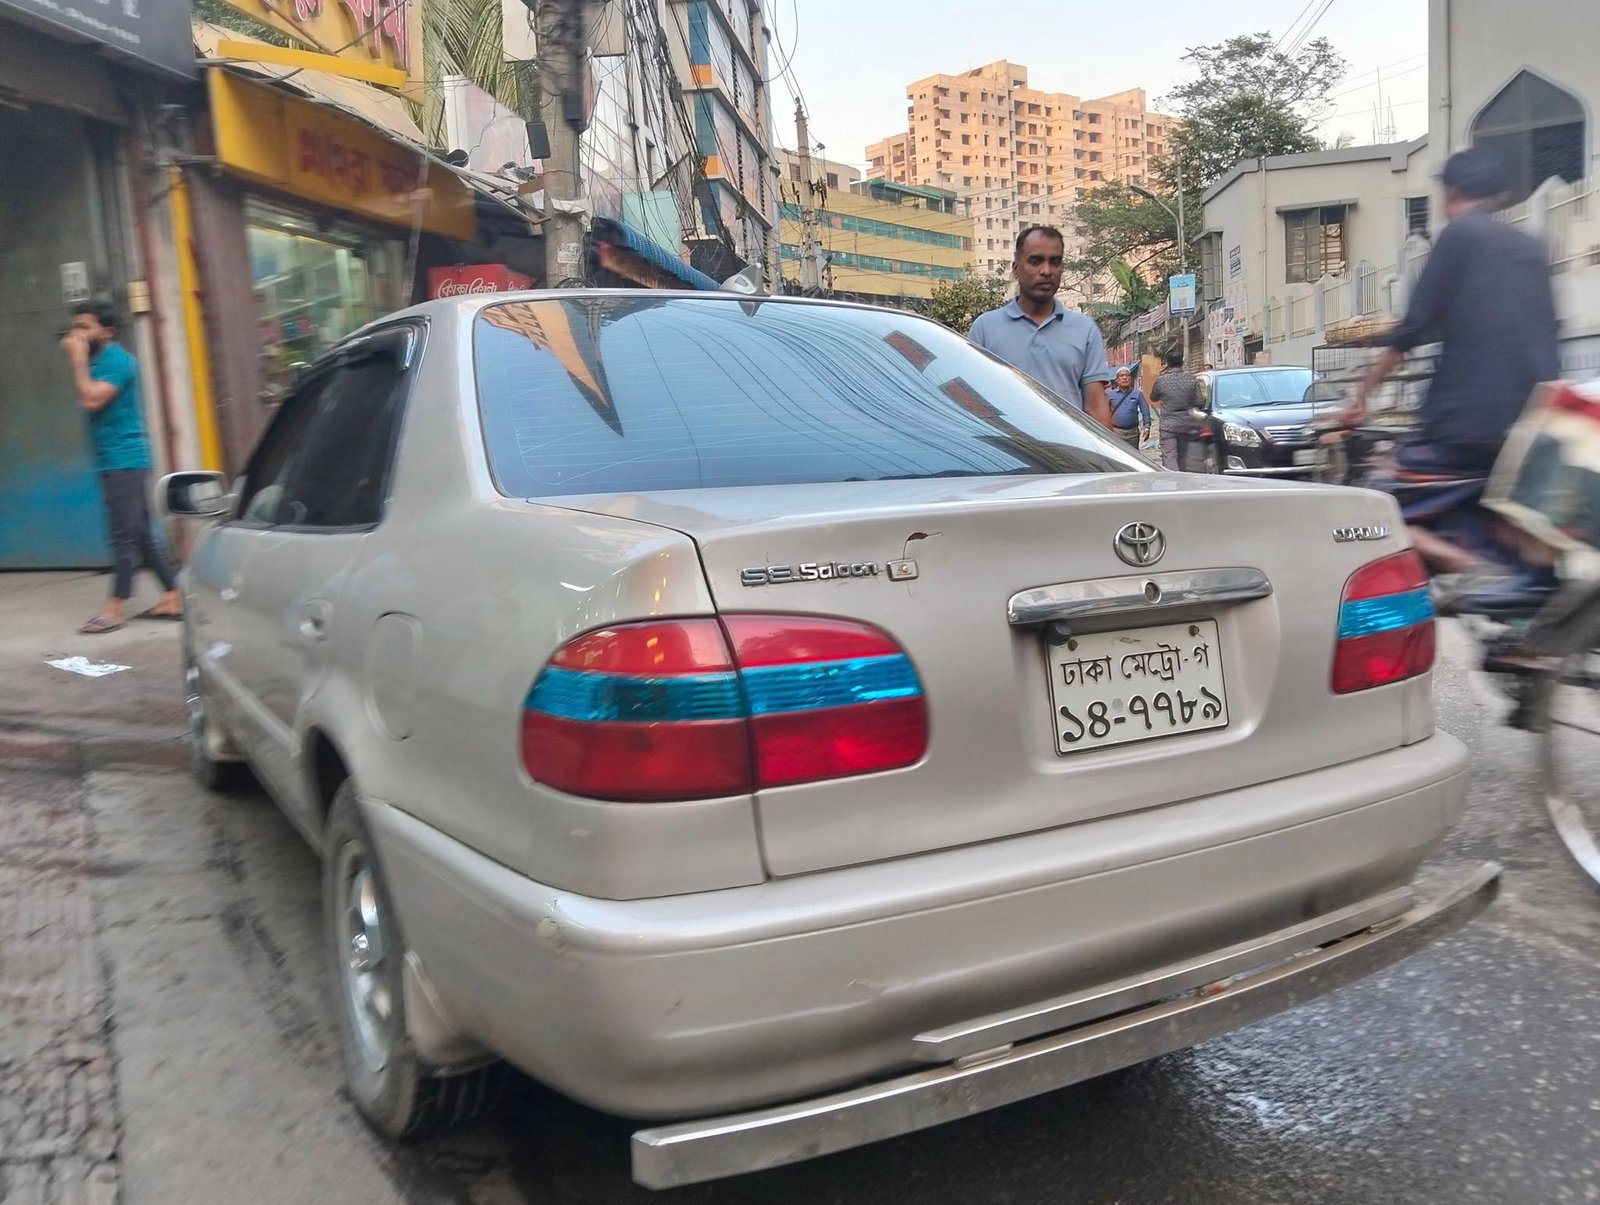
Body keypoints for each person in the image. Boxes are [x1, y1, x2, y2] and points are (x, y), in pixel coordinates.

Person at [1342, 146, 1560, 573]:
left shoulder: (1460, 235)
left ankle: (1473, 569)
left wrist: (1360, 397)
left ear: (1451, 191)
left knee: (1377, 505)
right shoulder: (1531, 247)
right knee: (1519, 517)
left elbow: (1413, 329)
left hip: (1464, 423)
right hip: (1536, 422)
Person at [61, 300, 182, 634]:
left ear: (107, 331)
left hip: (124, 459)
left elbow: (90, 398)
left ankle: (115, 609)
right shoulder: (99, 360)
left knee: (123, 535)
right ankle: (174, 596)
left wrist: (76, 359)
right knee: (141, 533)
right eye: (76, 327)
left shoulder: (117, 362)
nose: (78, 334)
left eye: (85, 327)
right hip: (114, 458)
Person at [968, 225, 1114, 428]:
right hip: (1007, 455)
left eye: (1055, 262)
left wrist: (1106, 459)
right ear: (1016, 268)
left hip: (1067, 454)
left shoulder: (1085, 331)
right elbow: (973, 402)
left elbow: (1096, 407)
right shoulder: (984, 329)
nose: (1046, 271)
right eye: (1035, 261)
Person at [1150, 347, 1202, 471]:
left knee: (1170, 457)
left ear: (1167, 364)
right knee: (1184, 456)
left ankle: (1175, 481)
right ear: (1182, 363)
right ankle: (1183, 481)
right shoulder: (1191, 379)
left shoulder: (1162, 381)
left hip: (1168, 426)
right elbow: (1199, 401)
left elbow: (1153, 397)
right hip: (1187, 425)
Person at [1106, 366, 1151, 449]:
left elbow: (1145, 410)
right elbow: (1105, 412)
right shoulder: (1110, 395)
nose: (1124, 378)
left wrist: (1147, 427)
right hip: (1116, 433)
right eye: (1121, 375)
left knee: (1133, 459)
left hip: (1133, 434)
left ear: (1130, 378)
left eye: (1127, 375)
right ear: (1117, 379)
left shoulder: (1137, 394)